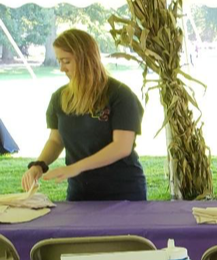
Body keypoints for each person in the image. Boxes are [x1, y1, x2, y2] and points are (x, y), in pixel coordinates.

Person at [21, 29, 146, 200]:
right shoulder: (60, 98)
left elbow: (122, 147)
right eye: (59, 61)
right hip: (80, 192)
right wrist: (39, 165)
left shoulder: (119, 94)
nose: (61, 68)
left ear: (86, 59)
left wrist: (75, 167)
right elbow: (56, 140)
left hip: (123, 191)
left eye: (66, 61)